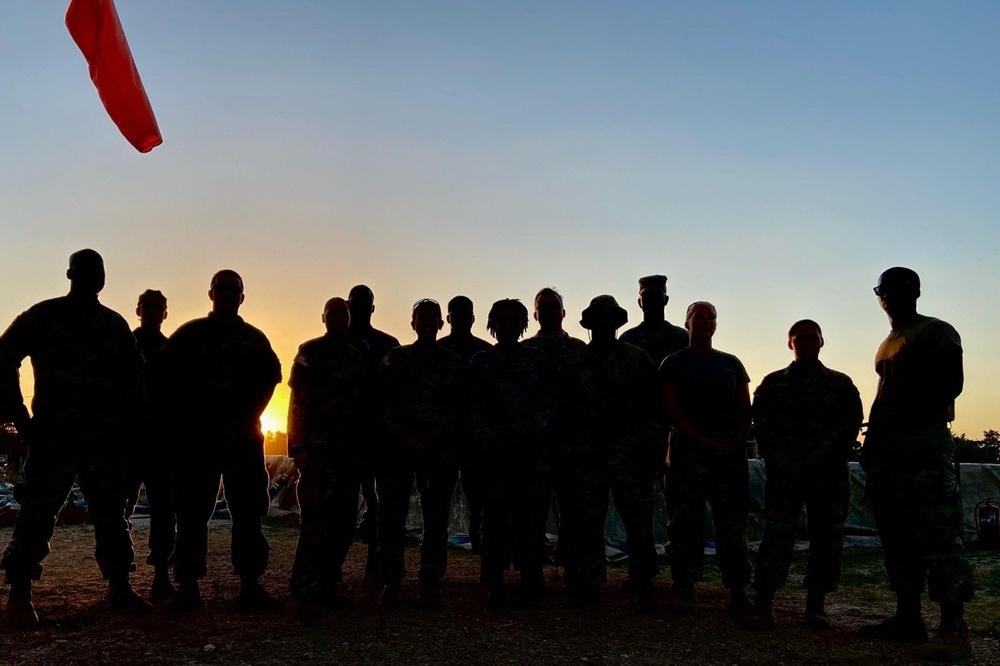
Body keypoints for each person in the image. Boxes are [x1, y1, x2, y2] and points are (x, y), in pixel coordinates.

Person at [0, 249, 149, 626]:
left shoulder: (114, 325)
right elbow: (3, 357)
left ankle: (119, 586)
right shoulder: (43, 316)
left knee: (111, 514)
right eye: (86, 270)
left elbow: (135, 383)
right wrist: (21, 418)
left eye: (98, 270)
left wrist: (129, 432)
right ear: (70, 274)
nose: (93, 276)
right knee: (38, 511)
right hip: (55, 436)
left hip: (104, 439)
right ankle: (19, 594)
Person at [858, 267, 973, 660]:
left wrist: (900, 420)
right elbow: (882, 395)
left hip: (923, 444)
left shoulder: (935, 331)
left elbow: (949, 384)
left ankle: (954, 626)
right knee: (897, 535)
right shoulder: (887, 343)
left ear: (917, 291)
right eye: (883, 290)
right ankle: (908, 618)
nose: (890, 296)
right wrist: (873, 440)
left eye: (899, 288)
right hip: (888, 449)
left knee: (938, 535)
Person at [158, 269, 282, 612]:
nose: (227, 294)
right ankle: (187, 586)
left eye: (234, 290)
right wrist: (180, 425)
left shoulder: (255, 340)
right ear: (211, 294)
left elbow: (272, 377)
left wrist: (252, 411)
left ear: (242, 297)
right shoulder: (189, 335)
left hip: (242, 440)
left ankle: (250, 584)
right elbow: (164, 381)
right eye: (221, 289)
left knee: (248, 513)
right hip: (197, 442)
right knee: (192, 512)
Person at [744, 320, 863, 630]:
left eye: (813, 338)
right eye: (801, 339)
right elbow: (763, 427)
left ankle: (816, 606)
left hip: (827, 476)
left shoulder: (841, 385)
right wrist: (787, 461)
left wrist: (815, 457)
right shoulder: (772, 385)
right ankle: (763, 604)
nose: (807, 343)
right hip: (785, 476)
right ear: (790, 344)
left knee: (826, 539)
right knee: (775, 537)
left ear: (822, 342)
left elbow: (849, 426)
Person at [564, 295, 660, 611]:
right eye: (598, 318)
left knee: (638, 524)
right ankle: (590, 585)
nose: (603, 324)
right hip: (588, 457)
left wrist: (647, 452)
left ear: (618, 323)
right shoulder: (575, 362)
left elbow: (653, 412)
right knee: (588, 524)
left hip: (630, 457)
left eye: (609, 318)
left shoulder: (638, 360)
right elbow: (565, 413)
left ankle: (644, 585)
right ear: (589, 324)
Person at [660, 301, 752, 616]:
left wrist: (735, 439)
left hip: (728, 457)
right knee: (685, 522)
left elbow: (744, 408)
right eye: (699, 315)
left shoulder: (731, 364)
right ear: (687, 322)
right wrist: (700, 439)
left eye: (711, 316)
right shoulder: (673, 364)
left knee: (732, 524)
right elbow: (670, 410)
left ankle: (738, 588)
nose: (706, 320)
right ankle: (685, 584)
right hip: (688, 455)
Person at [467, 299, 555, 609]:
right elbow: (472, 408)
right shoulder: (480, 363)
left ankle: (532, 579)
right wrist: (492, 437)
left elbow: (547, 403)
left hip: (530, 457)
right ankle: (495, 581)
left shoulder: (537, 360)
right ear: (492, 325)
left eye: (513, 320)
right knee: (493, 522)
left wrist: (528, 434)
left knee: (530, 522)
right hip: (493, 457)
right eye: (501, 321)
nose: (507, 326)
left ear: (522, 325)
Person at [376, 299, 464, 608]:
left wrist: (433, 438)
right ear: (412, 323)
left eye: (432, 318)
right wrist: (407, 436)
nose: (426, 323)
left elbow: (458, 407)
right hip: (398, 450)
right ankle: (391, 581)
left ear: (441, 324)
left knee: (437, 518)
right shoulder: (396, 359)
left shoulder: (452, 363)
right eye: (420, 318)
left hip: (439, 451)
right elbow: (383, 403)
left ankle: (430, 581)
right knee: (391, 517)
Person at [286, 297, 368, 616]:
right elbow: (298, 404)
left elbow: (362, 407)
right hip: (318, 453)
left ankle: (329, 584)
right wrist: (299, 449)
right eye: (331, 312)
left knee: (344, 524)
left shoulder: (355, 356)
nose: (337, 317)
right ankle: (306, 589)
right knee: (315, 524)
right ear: (323, 318)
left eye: (342, 313)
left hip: (348, 454)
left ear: (349, 318)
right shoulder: (310, 352)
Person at [521, 288, 586, 589]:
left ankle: (573, 573)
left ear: (563, 312)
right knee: (532, 513)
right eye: (542, 308)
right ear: (535, 314)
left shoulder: (578, 350)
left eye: (553, 306)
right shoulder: (523, 351)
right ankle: (532, 576)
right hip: (534, 448)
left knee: (573, 513)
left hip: (571, 446)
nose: (548, 312)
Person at [347, 284, 401, 585]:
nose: (361, 308)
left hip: (381, 438)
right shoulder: (334, 342)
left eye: (366, 303)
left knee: (381, 504)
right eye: (356, 302)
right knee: (340, 505)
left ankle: (376, 563)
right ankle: (330, 569)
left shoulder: (388, 345)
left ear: (373, 308)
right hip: (344, 439)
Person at [127, 289, 176, 600]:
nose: (154, 311)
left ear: (165, 313)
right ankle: (119, 577)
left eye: (159, 307)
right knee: (121, 509)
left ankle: (161, 574)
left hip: (161, 444)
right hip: (129, 441)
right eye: (148, 306)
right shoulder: (123, 345)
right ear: (138, 310)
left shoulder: (172, 351)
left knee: (164, 511)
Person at [438, 296, 492, 553]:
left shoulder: (486, 353)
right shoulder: (435, 352)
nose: (460, 320)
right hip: (443, 440)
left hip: (476, 441)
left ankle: (483, 553)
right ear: (448, 319)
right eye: (455, 315)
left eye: (464, 315)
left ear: (472, 318)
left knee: (480, 502)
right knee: (437, 503)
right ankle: (434, 564)